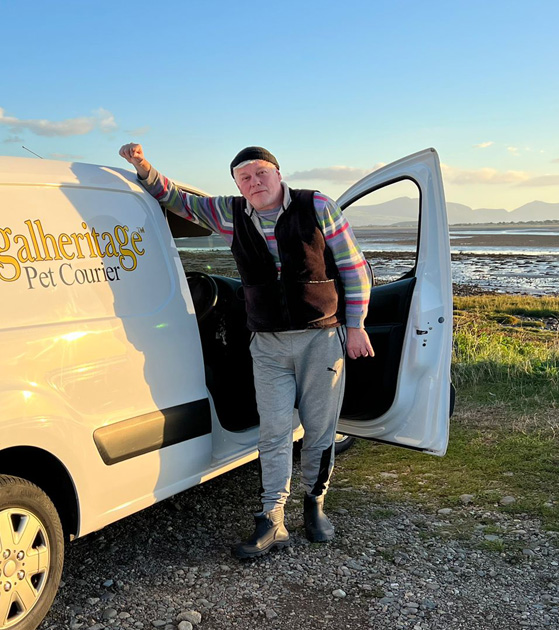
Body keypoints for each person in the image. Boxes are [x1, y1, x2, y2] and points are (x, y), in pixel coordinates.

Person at [119, 143, 373, 559]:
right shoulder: (228, 212)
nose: (254, 182)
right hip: (267, 343)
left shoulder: (317, 206)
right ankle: (273, 518)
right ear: (237, 184)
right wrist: (142, 166)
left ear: (278, 173)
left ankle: (315, 503)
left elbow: (353, 266)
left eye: (260, 173)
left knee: (319, 429)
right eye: (245, 177)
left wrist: (356, 325)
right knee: (273, 431)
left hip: (322, 337)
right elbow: (177, 200)